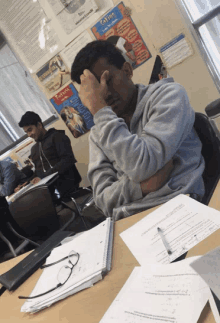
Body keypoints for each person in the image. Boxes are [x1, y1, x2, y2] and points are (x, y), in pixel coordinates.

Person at [70, 40, 205, 221]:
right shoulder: (98, 133)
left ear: (127, 71)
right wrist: (140, 188)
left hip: (183, 209)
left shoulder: (170, 96)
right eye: (95, 91)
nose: (104, 94)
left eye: (107, 81)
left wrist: (99, 110)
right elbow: (102, 200)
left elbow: (142, 166)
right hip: (130, 221)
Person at [18, 111, 82, 199]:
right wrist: (27, 183)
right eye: (26, 132)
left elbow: (68, 160)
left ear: (39, 125)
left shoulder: (57, 137)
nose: (29, 135)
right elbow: (38, 171)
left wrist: (44, 176)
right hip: (48, 190)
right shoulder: (34, 149)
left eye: (30, 130)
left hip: (67, 184)